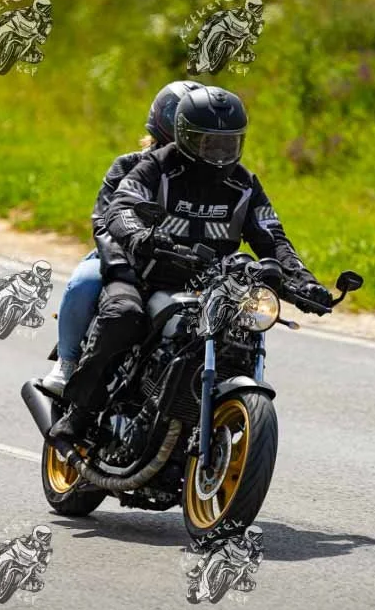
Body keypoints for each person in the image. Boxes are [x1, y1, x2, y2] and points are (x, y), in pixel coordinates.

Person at [48, 85, 332, 445]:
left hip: (213, 285)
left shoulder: (244, 184)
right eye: (207, 143)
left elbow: (272, 237)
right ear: (184, 136)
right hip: (146, 274)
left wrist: (305, 282)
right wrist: (140, 236)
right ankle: (80, 412)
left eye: (227, 144)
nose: (218, 153)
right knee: (122, 315)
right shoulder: (155, 167)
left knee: (242, 333)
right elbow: (120, 208)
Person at [41, 80, 205, 394]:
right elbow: (103, 221)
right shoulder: (129, 164)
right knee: (84, 282)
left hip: (181, 268)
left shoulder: (208, 179)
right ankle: (67, 361)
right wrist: (120, 266)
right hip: (120, 257)